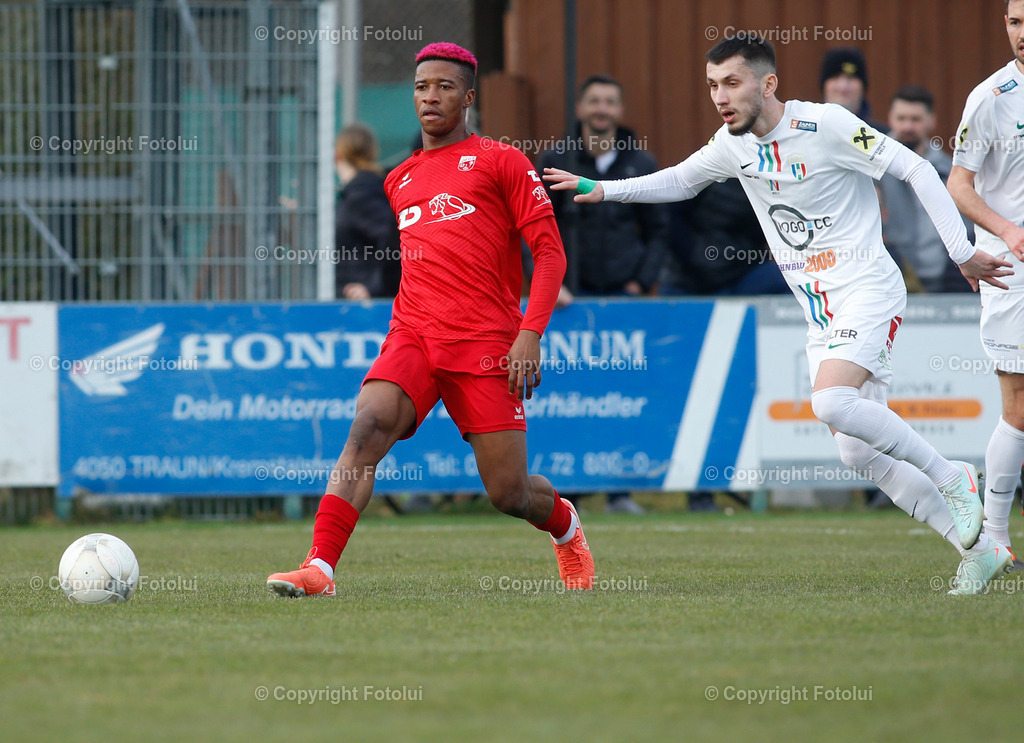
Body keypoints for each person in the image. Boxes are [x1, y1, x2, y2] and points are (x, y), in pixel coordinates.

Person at [545, 35, 1015, 595]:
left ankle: (952, 474)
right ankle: (983, 552)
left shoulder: (829, 125)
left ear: (768, 84)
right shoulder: (731, 144)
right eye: (712, 85)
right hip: (823, 312)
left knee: (830, 401)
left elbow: (915, 170)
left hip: (869, 287)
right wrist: (604, 188)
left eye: (731, 83)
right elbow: (678, 179)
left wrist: (961, 252)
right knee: (855, 450)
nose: (719, 96)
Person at [267, 42, 595, 596]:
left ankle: (566, 529)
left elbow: (550, 254)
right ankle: (319, 568)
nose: (430, 96)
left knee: (509, 494)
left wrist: (529, 333)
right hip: (413, 334)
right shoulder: (398, 179)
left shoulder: (504, 161)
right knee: (366, 427)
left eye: (444, 86)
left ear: (468, 97)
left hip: (487, 344)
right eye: (421, 87)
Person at [538, 74, 668, 514]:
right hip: (568, 300)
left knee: (622, 396)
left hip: (622, 299)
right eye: (593, 100)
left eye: (610, 102)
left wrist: (639, 282)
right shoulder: (555, 162)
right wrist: (552, 283)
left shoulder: (641, 162)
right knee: (571, 396)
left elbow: (659, 230)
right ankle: (568, 491)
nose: (601, 109)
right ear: (580, 108)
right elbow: (532, 230)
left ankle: (618, 490)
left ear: (619, 110)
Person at [948, 0, 1024, 569]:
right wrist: (1004, 233)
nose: (1022, 34)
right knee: (1018, 404)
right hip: (1011, 267)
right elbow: (959, 185)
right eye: (1015, 22)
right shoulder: (990, 99)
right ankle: (992, 539)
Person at [879, 86, 974, 293]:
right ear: (890, 118)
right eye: (901, 118)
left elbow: (967, 232)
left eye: (915, 119)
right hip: (887, 281)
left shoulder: (952, 172)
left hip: (947, 283)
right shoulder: (872, 171)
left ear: (932, 121)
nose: (907, 126)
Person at [334, 123, 401, 300]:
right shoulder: (359, 192)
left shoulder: (361, 195)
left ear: (338, 154)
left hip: (364, 303)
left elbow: (395, 244)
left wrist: (372, 288)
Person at [819, 48, 887, 133]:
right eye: (835, 77)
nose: (843, 87)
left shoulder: (881, 139)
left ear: (863, 86)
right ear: (824, 85)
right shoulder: (807, 134)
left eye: (850, 78)